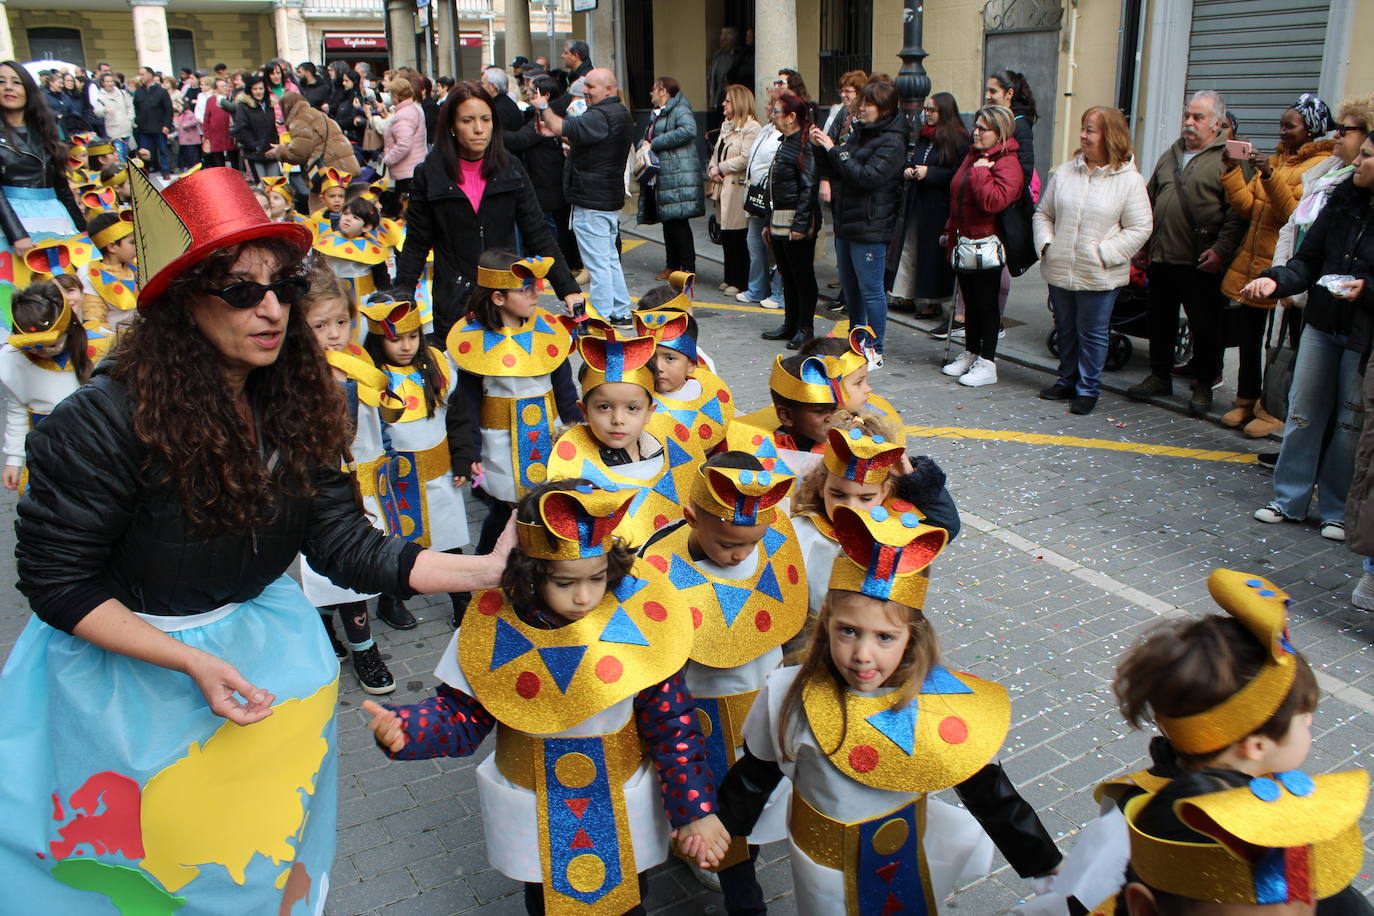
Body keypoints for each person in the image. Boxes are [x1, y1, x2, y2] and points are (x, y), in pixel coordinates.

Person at [0, 166, 514, 910]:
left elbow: (340, 540)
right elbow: (57, 583)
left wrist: (483, 571)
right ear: (182, 301)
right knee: (143, 882)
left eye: (285, 288)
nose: (272, 309)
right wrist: (189, 662)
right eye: (242, 290)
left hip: (265, 666)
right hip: (126, 684)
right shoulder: (99, 422)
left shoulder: (301, 398)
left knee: (259, 866)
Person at [363, 479, 728, 914]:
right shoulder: (491, 628)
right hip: (537, 813)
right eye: (564, 581)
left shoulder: (641, 626)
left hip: (623, 803)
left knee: (631, 902)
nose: (583, 596)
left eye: (597, 578)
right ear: (529, 573)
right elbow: (461, 717)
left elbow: (673, 729)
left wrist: (696, 811)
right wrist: (408, 730)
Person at [711, 502, 1061, 915]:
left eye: (884, 638)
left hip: (905, 865)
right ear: (826, 624)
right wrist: (719, 828)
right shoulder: (790, 692)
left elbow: (992, 795)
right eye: (848, 631)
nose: (862, 654)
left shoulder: (942, 707)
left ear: (911, 637)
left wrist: (1050, 872)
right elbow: (757, 773)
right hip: (821, 872)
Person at [638, 453, 805, 912]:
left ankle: (739, 865)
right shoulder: (658, 566)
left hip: (762, 704)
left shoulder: (768, 545)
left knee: (756, 799)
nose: (740, 555)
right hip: (699, 715)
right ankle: (741, 891)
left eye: (751, 544)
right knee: (711, 799)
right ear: (691, 517)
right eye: (728, 543)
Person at [1240, 129, 1371, 544]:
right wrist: (1272, 282)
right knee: (1303, 411)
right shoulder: (1341, 200)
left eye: (1368, 156)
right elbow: (1307, 260)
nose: (1360, 162)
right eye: (1362, 153)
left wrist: (1368, 287)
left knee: (1351, 423)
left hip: (1362, 334)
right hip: (1321, 321)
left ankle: (1334, 509)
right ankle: (1289, 499)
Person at [395, 80, 581, 346]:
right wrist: (402, 294)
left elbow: (538, 233)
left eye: (485, 119)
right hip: (454, 299)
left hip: (507, 298)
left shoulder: (511, 168)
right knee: (459, 383)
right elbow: (416, 243)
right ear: (451, 126)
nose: (479, 129)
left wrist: (568, 289)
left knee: (508, 380)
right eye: (467, 121)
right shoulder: (429, 174)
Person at [446, 252, 581, 593]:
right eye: (526, 289)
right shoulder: (473, 341)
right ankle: (485, 570)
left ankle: (540, 572)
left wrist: (579, 434)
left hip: (546, 438)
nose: (536, 294)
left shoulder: (548, 332)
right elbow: (467, 404)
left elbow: (565, 392)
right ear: (498, 296)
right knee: (507, 510)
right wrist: (467, 453)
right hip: (500, 444)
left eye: (536, 286)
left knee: (543, 504)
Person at [297, 268, 402, 694]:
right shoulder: (300, 376)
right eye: (320, 325)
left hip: (369, 484)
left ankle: (345, 637)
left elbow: (381, 418)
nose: (334, 334)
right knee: (333, 572)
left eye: (341, 321)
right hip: (328, 492)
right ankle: (362, 648)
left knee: (359, 567)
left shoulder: (358, 360)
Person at [1219, 94, 1335, 434]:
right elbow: (1246, 206)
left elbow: (1293, 215)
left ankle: (1272, 410)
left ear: (1311, 130)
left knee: (1279, 345)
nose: (1282, 132)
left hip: (1283, 270)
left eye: (1290, 126)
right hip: (1254, 265)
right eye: (1281, 125)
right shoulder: (1278, 160)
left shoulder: (1319, 166)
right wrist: (1231, 170)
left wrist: (1269, 175)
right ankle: (1245, 400)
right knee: (1249, 339)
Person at [1126, 90, 1247, 414]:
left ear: (1217, 123)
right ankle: (1159, 374)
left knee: (1206, 326)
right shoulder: (1172, 153)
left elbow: (1239, 214)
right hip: (1164, 255)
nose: (1189, 122)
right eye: (1186, 115)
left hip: (1202, 259)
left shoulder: (1231, 157)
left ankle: (1204, 385)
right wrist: (1143, 246)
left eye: (1198, 117)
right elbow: (1149, 201)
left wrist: (1221, 251)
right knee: (1159, 321)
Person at [361, 294, 473, 628]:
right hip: (394, 483)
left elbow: (459, 417)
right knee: (395, 544)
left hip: (439, 477)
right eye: (396, 339)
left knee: (449, 540)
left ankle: (462, 599)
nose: (406, 346)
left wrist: (464, 459)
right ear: (379, 340)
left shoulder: (437, 368)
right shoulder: (369, 378)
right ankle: (391, 600)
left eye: (413, 337)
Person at [1032, 106, 1153, 415]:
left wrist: (1106, 253)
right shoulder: (1065, 172)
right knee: (1065, 328)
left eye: (1091, 130)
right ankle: (1066, 380)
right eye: (1083, 128)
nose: (1083, 135)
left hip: (1099, 273)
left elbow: (1141, 227)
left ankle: (1087, 389)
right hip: (1061, 267)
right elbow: (1044, 214)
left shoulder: (1129, 181)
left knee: (1093, 332)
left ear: (1110, 136)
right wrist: (1047, 245)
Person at [789, 413, 960, 618]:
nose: (851, 507)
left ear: (884, 492)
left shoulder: (895, 527)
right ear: (821, 486)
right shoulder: (801, 529)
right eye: (838, 494)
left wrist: (913, 478)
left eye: (866, 497)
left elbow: (946, 525)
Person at [545, 322, 702, 544]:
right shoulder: (569, 471)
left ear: (649, 413)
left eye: (632, 408)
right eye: (604, 407)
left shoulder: (665, 450)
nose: (618, 420)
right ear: (584, 411)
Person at [530, 68, 634, 324]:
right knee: (608, 259)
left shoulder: (600, 116)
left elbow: (558, 125)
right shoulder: (618, 112)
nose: (585, 91)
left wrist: (543, 106)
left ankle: (599, 318)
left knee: (599, 263)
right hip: (606, 198)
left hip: (592, 200)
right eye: (585, 85)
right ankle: (619, 312)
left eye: (591, 86)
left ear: (608, 89)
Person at [810, 80, 907, 354]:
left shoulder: (893, 140)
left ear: (884, 109)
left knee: (871, 290)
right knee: (851, 289)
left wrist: (833, 150)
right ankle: (856, 341)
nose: (861, 109)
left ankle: (875, 347)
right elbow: (840, 166)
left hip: (870, 225)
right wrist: (820, 147)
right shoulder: (861, 132)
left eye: (868, 104)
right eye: (861, 103)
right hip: (847, 221)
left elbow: (867, 177)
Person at [941, 105, 1025, 388]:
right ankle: (972, 352)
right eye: (975, 126)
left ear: (999, 133)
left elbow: (994, 202)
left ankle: (987, 362)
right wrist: (948, 230)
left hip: (987, 244)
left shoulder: (1007, 162)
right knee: (971, 303)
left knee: (987, 305)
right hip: (964, 240)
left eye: (983, 129)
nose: (975, 132)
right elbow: (956, 195)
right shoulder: (973, 156)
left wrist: (980, 173)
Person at [0, 62, 87, 326]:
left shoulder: (46, 131)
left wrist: (82, 229)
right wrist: (17, 234)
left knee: (64, 287)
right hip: (12, 223)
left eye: (15, 81)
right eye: (2, 81)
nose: (8, 88)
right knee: (20, 295)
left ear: (28, 88)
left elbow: (62, 187)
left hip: (56, 221)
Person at [0, 281, 99, 492]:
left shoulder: (99, 350)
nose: (44, 352)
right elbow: (17, 412)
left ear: (68, 327)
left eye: (52, 344)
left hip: (93, 450)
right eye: (34, 347)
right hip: (45, 454)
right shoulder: (15, 361)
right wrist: (14, 459)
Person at [891, 91, 968, 320]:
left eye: (932, 110)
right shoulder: (926, 136)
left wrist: (930, 173)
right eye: (926, 109)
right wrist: (909, 169)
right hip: (918, 201)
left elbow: (957, 173)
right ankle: (906, 295)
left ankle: (933, 301)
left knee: (931, 255)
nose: (928, 114)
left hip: (938, 206)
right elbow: (916, 158)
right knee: (910, 250)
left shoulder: (957, 138)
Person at [760, 91, 821, 348]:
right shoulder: (786, 142)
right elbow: (774, 186)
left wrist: (800, 224)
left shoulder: (805, 145)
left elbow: (809, 187)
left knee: (802, 274)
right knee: (786, 272)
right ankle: (790, 323)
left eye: (776, 112)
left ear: (791, 117)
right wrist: (767, 221)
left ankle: (805, 328)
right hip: (779, 216)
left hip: (796, 217)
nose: (772, 116)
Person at [637, 76, 704, 279]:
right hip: (664, 175)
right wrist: (644, 143)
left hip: (677, 174)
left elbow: (688, 131)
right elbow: (648, 136)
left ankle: (687, 267)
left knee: (678, 222)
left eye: (654, 89)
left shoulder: (680, 109)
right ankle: (671, 264)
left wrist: (655, 142)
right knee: (668, 220)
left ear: (664, 91)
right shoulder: (657, 114)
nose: (651, 93)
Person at [708, 84, 762, 297]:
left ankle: (740, 280)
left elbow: (745, 158)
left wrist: (720, 167)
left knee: (738, 235)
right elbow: (716, 152)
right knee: (726, 233)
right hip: (723, 188)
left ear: (738, 103)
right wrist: (712, 168)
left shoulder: (752, 127)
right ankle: (729, 276)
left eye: (728, 100)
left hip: (738, 189)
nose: (723, 104)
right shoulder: (726, 126)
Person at [267, 91, 360, 206]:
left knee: (321, 207)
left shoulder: (299, 121)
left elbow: (299, 153)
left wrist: (279, 151)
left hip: (329, 172)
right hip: (344, 165)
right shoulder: (317, 114)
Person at [739, 84, 785, 308]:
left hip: (773, 198)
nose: (767, 107)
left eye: (772, 105)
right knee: (754, 243)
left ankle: (778, 293)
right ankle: (757, 288)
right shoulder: (767, 129)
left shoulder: (782, 135)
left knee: (776, 247)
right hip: (757, 195)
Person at [80, 210, 139, 334]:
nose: (136, 247)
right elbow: (96, 324)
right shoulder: (91, 276)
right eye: (132, 243)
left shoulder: (134, 267)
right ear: (112, 247)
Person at [379, 75, 426, 211]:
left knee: (404, 211)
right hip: (412, 168)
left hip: (406, 171)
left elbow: (404, 145)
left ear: (396, 95)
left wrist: (387, 159)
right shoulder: (413, 109)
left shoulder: (404, 115)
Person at [231, 75, 279, 181]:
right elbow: (240, 129)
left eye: (261, 89)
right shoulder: (244, 107)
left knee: (275, 185)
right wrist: (254, 145)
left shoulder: (271, 106)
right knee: (262, 185)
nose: (258, 92)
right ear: (250, 90)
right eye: (255, 89)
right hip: (255, 153)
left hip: (272, 150)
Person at [132, 66, 172, 179]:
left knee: (163, 150)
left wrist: (166, 125)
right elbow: (135, 107)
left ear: (150, 75)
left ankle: (165, 171)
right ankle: (145, 171)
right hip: (144, 128)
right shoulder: (139, 91)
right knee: (144, 152)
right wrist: (137, 122)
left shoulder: (161, 91)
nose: (141, 77)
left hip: (159, 127)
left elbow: (168, 109)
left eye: (143, 74)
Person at [91, 71, 134, 155]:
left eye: (111, 81)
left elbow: (130, 106)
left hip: (126, 129)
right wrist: (104, 110)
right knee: (118, 155)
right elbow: (97, 111)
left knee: (126, 155)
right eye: (107, 82)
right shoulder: (100, 96)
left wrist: (129, 118)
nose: (110, 84)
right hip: (113, 131)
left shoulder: (122, 93)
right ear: (103, 83)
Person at [706, 27, 741, 131]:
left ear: (732, 41)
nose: (721, 41)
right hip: (716, 99)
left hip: (729, 98)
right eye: (721, 39)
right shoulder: (717, 55)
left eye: (724, 39)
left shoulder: (735, 55)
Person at [480, 67, 522, 133]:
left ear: (492, 87)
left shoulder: (498, 110)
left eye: (482, 83)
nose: (480, 87)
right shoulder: (506, 102)